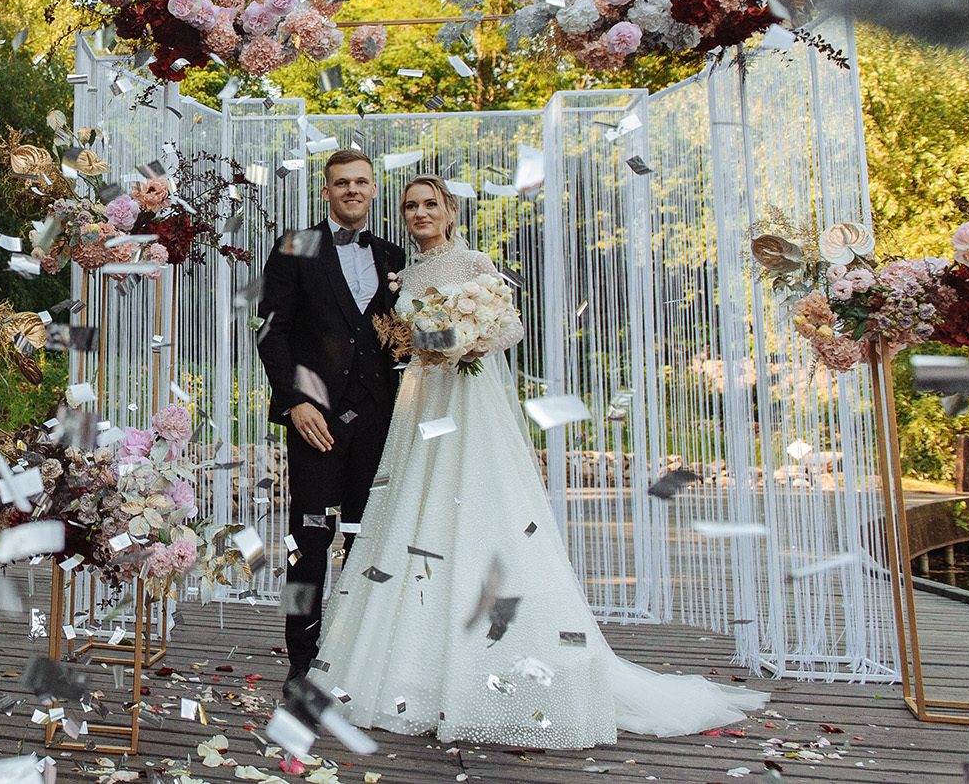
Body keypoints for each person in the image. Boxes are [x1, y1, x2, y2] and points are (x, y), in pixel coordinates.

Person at [310, 176, 768, 747]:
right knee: (414, 515)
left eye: (431, 204)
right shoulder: (404, 270)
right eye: (411, 206)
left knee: (481, 509)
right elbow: (400, 340)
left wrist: (466, 338)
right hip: (421, 402)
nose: (420, 212)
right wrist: (420, 341)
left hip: (469, 403)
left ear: (451, 211)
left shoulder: (475, 263)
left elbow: (509, 329)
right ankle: (409, 666)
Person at [256, 148, 408, 686]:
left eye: (361, 182)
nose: (352, 191)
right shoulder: (295, 246)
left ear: (373, 190)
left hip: (379, 421)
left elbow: (398, 338)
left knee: (369, 535)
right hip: (315, 421)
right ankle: (301, 658)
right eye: (341, 183)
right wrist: (294, 402)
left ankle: (358, 653)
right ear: (326, 191)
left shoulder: (393, 256)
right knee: (308, 538)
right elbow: (270, 331)